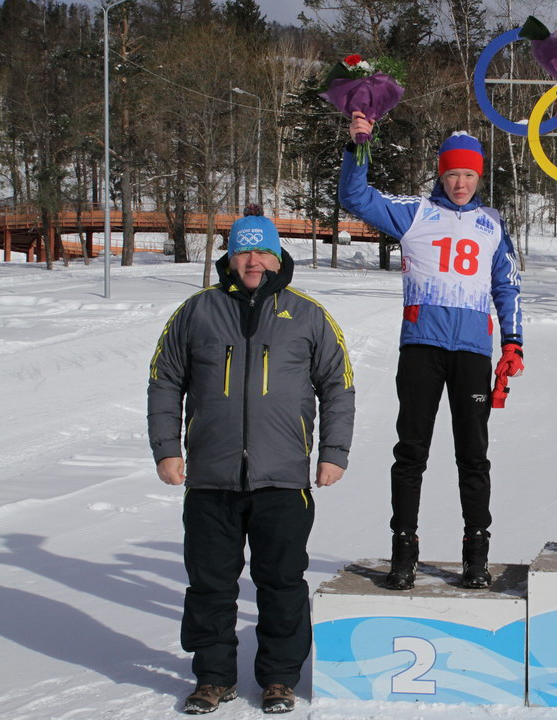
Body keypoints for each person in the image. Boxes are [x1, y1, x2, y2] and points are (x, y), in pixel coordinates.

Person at [147, 206, 356, 714]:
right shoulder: (197, 311)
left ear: (278, 254)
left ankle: (280, 678)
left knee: (281, 583)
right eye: (244, 250)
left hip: (283, 478)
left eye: (263, 249)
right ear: (230, 256)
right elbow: (164, 381)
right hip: (210, 478)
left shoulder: (307, 314)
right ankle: (213, 676)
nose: (254, 260)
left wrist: (333, 453)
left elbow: (339, 386)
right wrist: (167, 450)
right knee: (210, 584)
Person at [339, 115, 524, 591]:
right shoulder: (416, 212)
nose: (460, 183)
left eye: (468, 175)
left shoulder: (492, 224)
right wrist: (360, 145)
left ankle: (476, 554)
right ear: (440, 175)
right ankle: (404, 552)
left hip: (471, 353)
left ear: (479, 177)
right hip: (422, 347)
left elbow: (507, 286)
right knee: (411, 452)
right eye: (451, 174)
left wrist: (513, 342)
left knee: (474, 456)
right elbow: (357, 198)